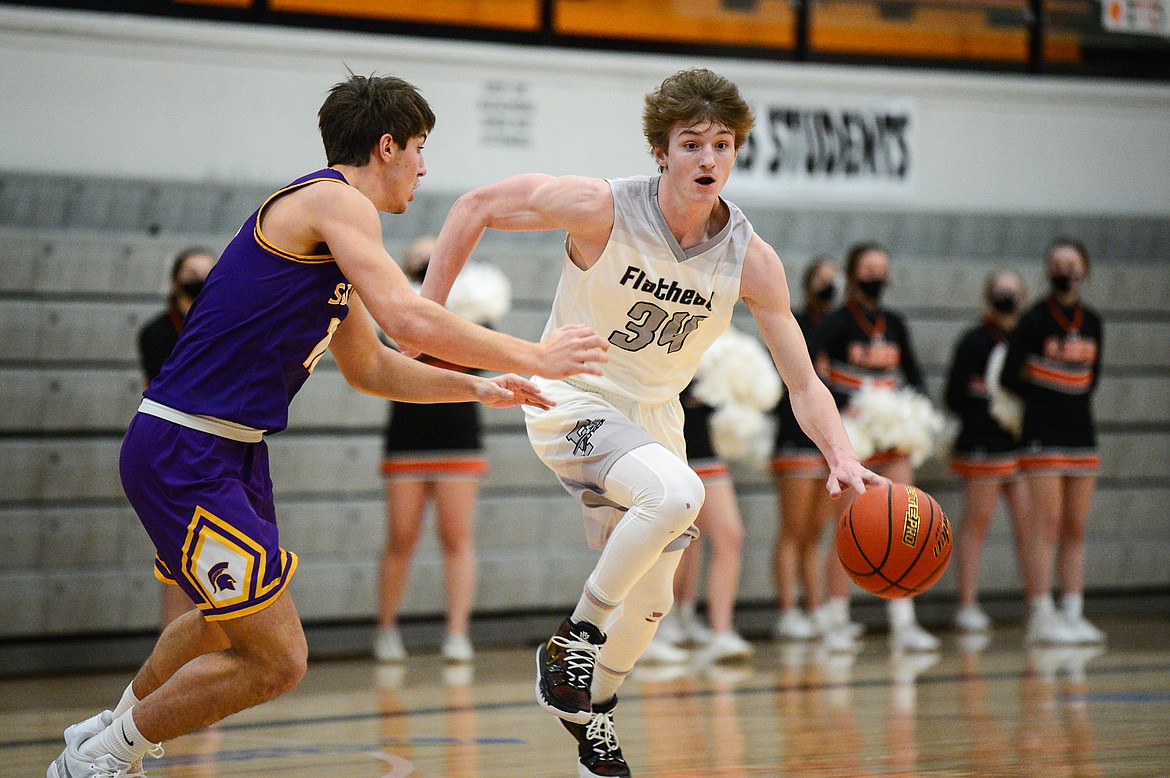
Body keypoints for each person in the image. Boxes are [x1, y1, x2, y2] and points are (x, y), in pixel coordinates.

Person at [49, 73, 609, 778]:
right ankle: (103, 756)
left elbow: (373, 366)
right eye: (419, 148)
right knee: (279, 660)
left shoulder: (332, 233)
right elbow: (408, 318)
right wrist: (536, 352)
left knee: (222, 623)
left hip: (227, 451)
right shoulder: (332, 200)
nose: (423, 167)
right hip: (186, 446)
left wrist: (480, 387)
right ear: (386, 146)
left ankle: (104, 731)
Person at [419, 68, 884, 778]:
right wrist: (428, 314)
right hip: (572, 395)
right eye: (691, 143)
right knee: (678, 494)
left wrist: (841, 453)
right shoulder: (602, 206)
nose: (707, 158)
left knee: (655, 601)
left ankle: (592, 718)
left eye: (722, 144)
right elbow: (476, 204)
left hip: (655, 418)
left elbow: (803, 380)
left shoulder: (752, 259)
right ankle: (574, 640)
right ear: (661, 152)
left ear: (735, 153)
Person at [816, 241, 938, 653]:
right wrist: (853, 404)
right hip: (852, 438)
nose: (876, 276)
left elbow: (916, 376)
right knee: (848, 528)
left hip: (891, 437)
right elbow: (813, 378)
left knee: (907, 524)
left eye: (882, 269)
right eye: (868, 268)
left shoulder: (896, 323)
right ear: (852, 275)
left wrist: (907, 406)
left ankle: (903, 623)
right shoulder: (834, 323)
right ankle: (835, 620)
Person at [375, 235, 492, 664]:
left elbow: (477, 362)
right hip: (408, 440)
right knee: (400, 539)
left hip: (458, 439)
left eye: (434, 259)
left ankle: (457, 635)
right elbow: (393, 361)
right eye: (419, 259)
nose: (426, 264)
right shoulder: (392, 316)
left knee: (456, 538)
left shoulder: (478, 312)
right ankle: (386, 630)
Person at [1001, 238, 1105, 645]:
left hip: (1082, 432)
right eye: (1058, 263)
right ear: (1049, 271)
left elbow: (1093, 378)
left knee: (1075, 527)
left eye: (1073, 262)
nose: (1066, 269)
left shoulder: (1093, 321)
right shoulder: (1033, 320)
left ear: (1085, 270)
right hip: (1043, 434)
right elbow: (1010, 376)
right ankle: (1040, 614)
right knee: (1046, 525)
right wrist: (1044, 396)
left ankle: (1073, 612)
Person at [770, 257, 859, 649]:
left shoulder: (839, 329)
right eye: (821, 279)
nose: (829, 286)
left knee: (816, 532)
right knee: (793, 529)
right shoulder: (795, 326)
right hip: (794, 439)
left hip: (824, 446)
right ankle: (788, 612)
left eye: (834, 279)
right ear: (807, 284)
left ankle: (816, 609)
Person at [944, 270, 1034, 633]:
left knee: (1030, 527)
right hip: (982, 446)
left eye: (1013, 291)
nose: (1006, 297)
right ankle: (967, 605)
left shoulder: (1030, 340)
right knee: (977, 524)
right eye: (1000, 291)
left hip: (1022, 446)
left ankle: (1038, 604)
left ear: (1024, 297)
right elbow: (954, 396)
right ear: (987, 297)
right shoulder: (974, 341)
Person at [137, 246, 217, 629]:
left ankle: (208, 655)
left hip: (217, 453)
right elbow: (171, 385)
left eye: (207, 273)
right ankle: (170, 655)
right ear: (175, 281)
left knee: (213, 560)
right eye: (191, 272)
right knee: (177, 559)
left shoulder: (226, 325)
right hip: (171, 451)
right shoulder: (155, 333)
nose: (199, 279)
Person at [648, 383, 753, 664]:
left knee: (729, 535)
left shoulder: (718, 344)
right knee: (672, 543)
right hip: (665, 444)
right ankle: (652, 633)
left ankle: (721, 633)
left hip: (704, 445)